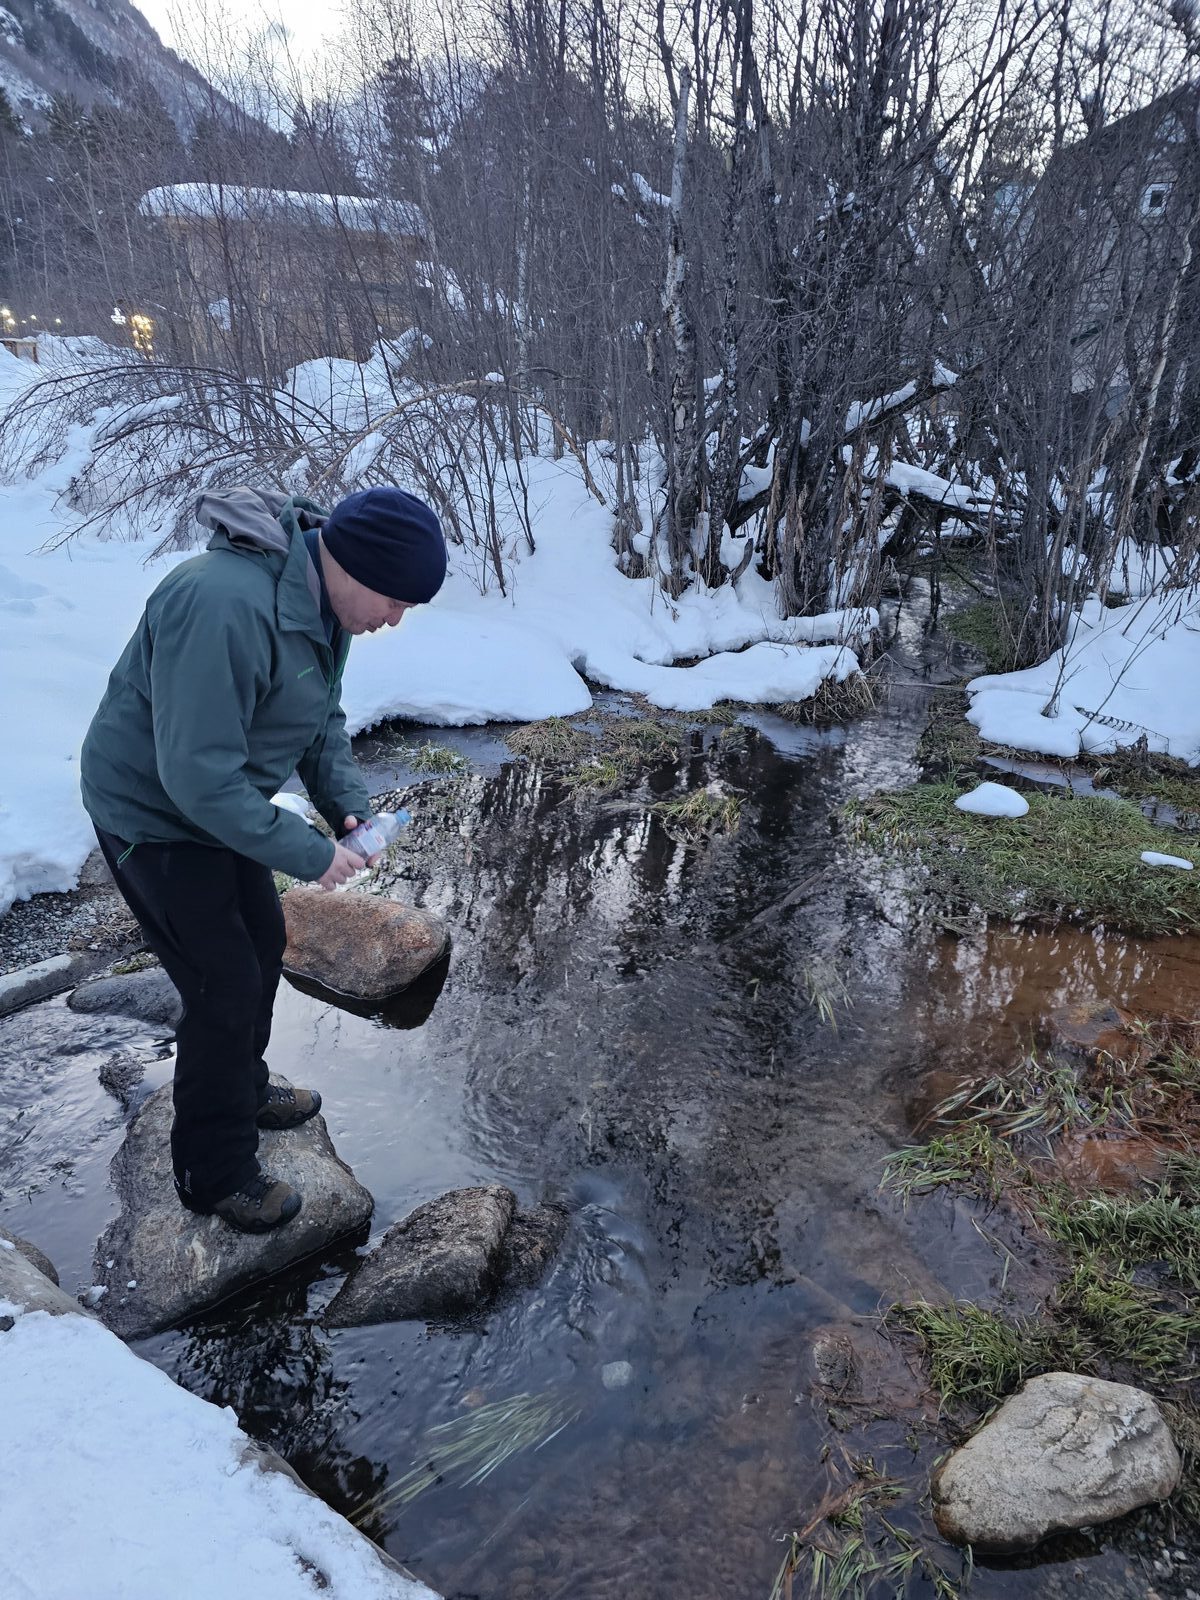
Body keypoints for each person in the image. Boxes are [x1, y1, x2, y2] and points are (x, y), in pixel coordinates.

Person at [80, 485, 447, 1234]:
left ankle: (242, 1089)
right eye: (394, 601)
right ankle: (213, 1174)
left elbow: (319, 719)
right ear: (355, 566)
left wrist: (345, 806)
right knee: (222, 983)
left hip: (218, 805)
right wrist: (312, 854)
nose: (395, 620)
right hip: (151, 816)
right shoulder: (220, 604)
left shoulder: (323, 602)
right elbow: (194, 776)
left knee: (263, 941)